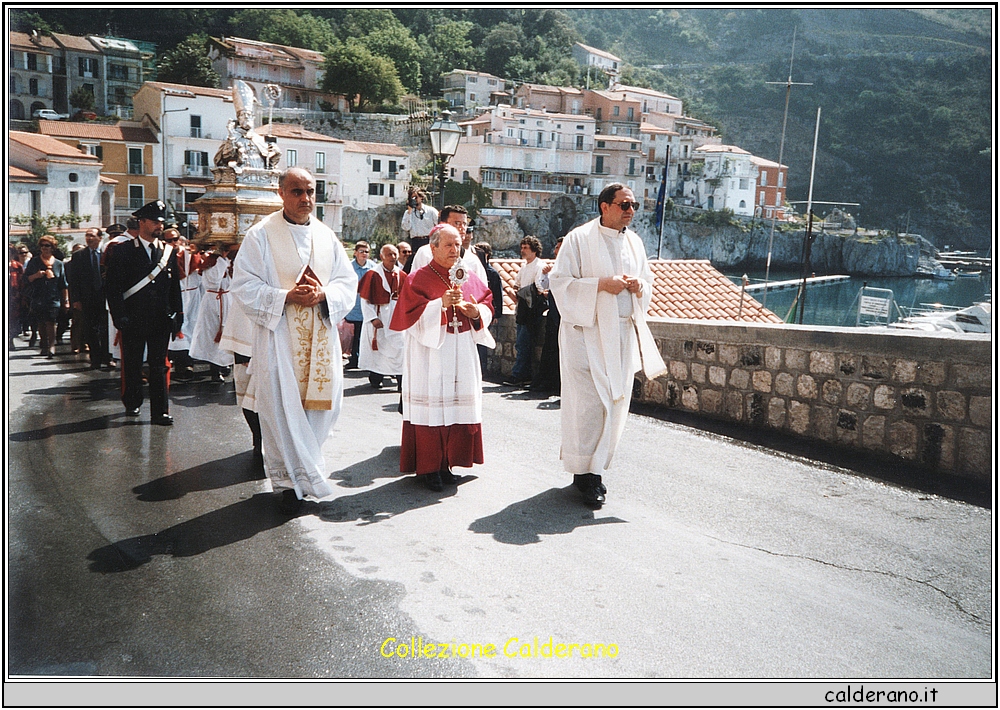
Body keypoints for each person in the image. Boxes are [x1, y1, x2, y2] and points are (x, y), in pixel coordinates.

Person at [230, 167, 357, 514]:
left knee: (322, 406)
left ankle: (309, 472)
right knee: (281, 408)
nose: (306, 199)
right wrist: (286, 296)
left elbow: (347, 283)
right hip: (280, 340)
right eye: (297, 192)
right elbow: (243, 286)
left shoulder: (327, 236)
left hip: (321, 336)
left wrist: (324, 295)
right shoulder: (260, 236)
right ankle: (289, 482)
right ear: (281, 193)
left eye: (311, 191)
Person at [549, 183, 666, 507]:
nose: (630, 211)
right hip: (586, 336)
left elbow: (648, 282)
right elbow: (560, 284)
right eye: (624, 205)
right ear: (604, 206)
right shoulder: (579, 239)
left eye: (634, 206)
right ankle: (583, 476)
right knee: (588, 406)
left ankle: (596, 471)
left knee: (613, 404)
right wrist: (601, 285)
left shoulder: (636, 243)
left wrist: (638, 285)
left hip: (621, 337)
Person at [389, 224, 495, 492]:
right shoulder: (418, 278)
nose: (454, 249)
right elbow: (409, 320)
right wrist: (440, 305)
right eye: (448, 245)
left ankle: (448, 463)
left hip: (461, 350)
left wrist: (475, 312)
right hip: (430, 354)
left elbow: (488, 303)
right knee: (433, 409)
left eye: (458, 244)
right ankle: (429, 467)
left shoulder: (466, 275)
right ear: (433, 247)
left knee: (456, 406)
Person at [104, 200, 183, 425]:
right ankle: (133, 401)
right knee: (133, 363)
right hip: (133, 318)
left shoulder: (168, 251)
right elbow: (113, 287)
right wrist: (119, 316)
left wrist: (178, 313)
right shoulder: (123, 251)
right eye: (155, 222)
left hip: (160, 318)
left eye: (161, 222)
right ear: (142, 222)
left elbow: (174, 286)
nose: (160, 226)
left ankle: (160, 411)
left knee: (159, 366)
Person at [357, 243, 407, 389]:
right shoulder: (373, 274)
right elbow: (365, 300)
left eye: (394, 254)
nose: (392, 257)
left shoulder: (402, 275)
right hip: (380, 315)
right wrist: (372, 318)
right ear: (381, 257)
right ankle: (376, 377)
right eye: (389, 254)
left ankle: (401, 382)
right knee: (379, 349)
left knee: (399, 348)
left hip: (396, 317)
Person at [190, 243, 237, 382]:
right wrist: (222, 262)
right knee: (213, 333)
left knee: (229, 332)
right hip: (214, 300)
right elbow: (215, 281)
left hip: (227, 298)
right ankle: (215, 368)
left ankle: (225, 363)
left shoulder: (226, 262)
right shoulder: (213, 262)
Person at [504, 236, 547, 387]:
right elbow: (517, 285)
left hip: (531, 310)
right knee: (522, 344)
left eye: (526, 248)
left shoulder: (539, 266)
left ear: (534, 250)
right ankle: (523, 375)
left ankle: (519, 375)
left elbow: (539, 289)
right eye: (522, 247)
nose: (522, 251)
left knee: (524, 344)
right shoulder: (524, 267)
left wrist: (521, 292)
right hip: (523, 309)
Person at [408, 205, 488, 285]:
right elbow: (414, 286)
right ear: (443, 224)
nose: (462, 227)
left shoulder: (473, 260)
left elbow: (482, 291)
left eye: (464, 224)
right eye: (457, 223)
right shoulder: (425, 253)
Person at [68, 227, 110, 368]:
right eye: (87, 236)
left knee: (106, 329)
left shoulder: (107, 253)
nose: (89, 238)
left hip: (105, 298)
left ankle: (107, 356)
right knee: (90, 329)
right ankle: (95, 358)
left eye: (92, 235)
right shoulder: (79, 255)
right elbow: (73, 280)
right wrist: (76, 300)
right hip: (87, 299)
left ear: (100, 237)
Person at [23, 235, 70, 359]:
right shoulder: (34, 262)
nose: (44, 248)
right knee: (41, 322)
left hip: (53, 297)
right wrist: (37, 275)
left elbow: (63, 284)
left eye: (47, 245)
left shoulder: (59, 264)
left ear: (53, 247)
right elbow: (26, 279)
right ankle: (44, 344)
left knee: (51, 321)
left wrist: (66, 301)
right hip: (38, 296)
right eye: (42, 245)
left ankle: (51, 346)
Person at [168, 232, 203, 379]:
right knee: (178, 328)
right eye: (169, 240)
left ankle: (189, 361)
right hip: (176, 295)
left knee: (192, 326)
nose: (174, 242)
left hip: (192, 295)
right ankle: (178, 362)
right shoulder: (164, 255)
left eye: (175, 239)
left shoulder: (189, 254)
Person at [531, 237, 563, 393]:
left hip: (564, 315)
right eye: (556, 247)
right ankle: (545, 380)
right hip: (553, 314)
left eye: (559, 247)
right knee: (549, 348)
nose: (556, 250)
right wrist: (545, 275)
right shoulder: (553, 267)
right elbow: (542, 286)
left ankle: (556, 383)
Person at [473, 241, 504, 377]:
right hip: (475, 310)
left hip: (486, 312)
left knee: (482, 341)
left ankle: (482, 370)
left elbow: (497, 294)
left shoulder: (492, 274)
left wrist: (496, 314)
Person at [343, 240, 373, 369]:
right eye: (361, 251)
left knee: (366, 334)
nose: (364, 254)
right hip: (354, 306)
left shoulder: (373, 267)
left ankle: (366, 360)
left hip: (367, 305)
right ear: (355, 253)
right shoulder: (348, 267)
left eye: (366, 252)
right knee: (355, 335)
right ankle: (354, 359)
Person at [400, 188, 438, 272]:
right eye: (412, 198)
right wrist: (409, 211)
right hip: (415, 241)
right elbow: (405, 227)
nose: (414, 200)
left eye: (416, 197)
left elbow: (438, 225)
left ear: (421, 197)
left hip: (429, 240)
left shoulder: (431, 211)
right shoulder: (408, 213)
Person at [9, 245, 27, 350]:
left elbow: (22, 283)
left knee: (13, 319)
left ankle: (9, 340)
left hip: (14, 297)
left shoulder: (17, 266)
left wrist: (23, 296)